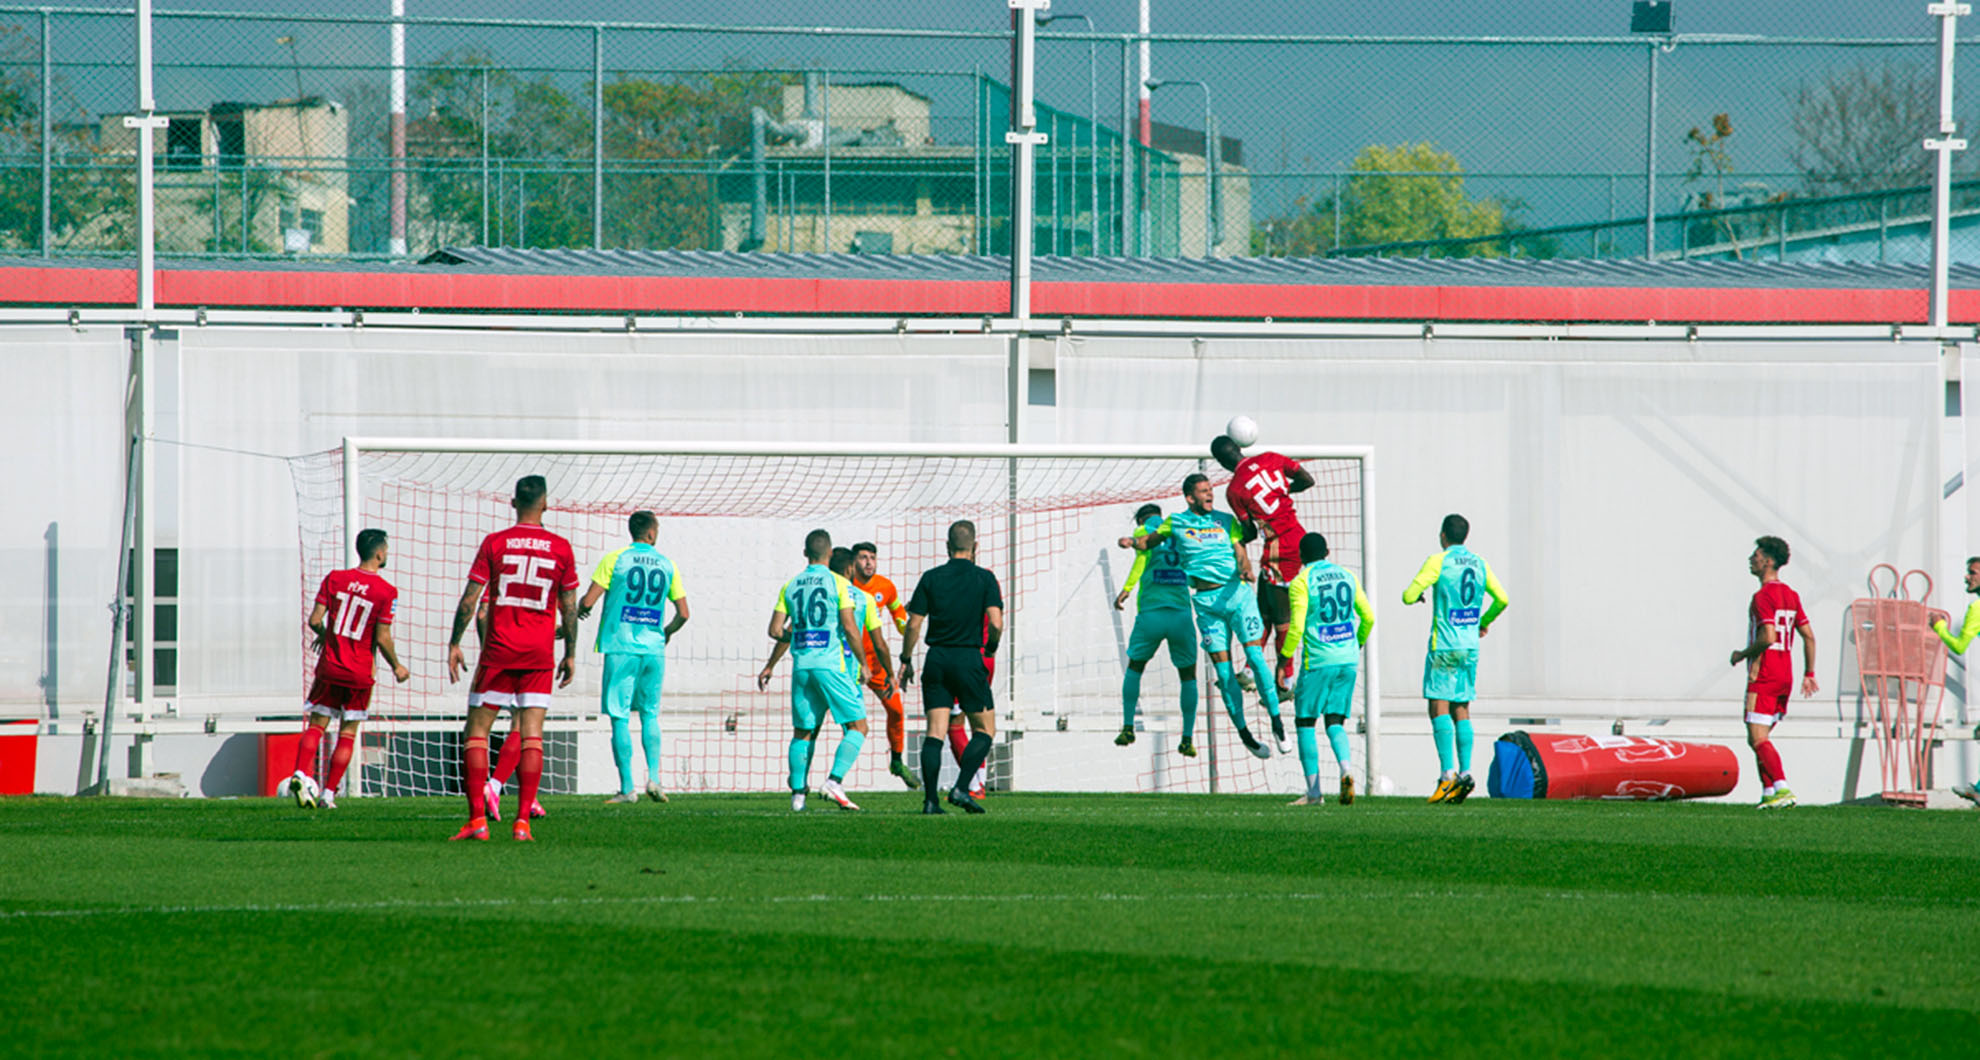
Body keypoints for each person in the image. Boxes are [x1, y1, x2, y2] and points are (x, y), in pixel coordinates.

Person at [445, 475, 580, 841]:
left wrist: (455, 642)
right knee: (532, 734)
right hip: (539, 652)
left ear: (512, 502)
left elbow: (471, 601)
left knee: (476, 731)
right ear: (546, 504)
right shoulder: (561, 547)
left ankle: (477, 822)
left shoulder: (495, 543)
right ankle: (522, 822)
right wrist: (569, 652)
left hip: (499, 650)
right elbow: (568, 607)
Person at [1132, 473, 1279, 760]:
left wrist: (1247, 569)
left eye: (1211, 489)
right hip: (1205, 602)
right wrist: (1131, 542)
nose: (1210, 493)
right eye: (1204, 490)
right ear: (1190, 498)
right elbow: (1150, 541)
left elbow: (1241, 552)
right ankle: (1245, 733)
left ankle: (1276, 721)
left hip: (1236, 595)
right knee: (1224, 675)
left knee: (1257, 657)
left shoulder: (1225, 521)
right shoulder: (1175, 521)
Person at [288, 528, 410, 809]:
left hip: (330, 666)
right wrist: (397, 666)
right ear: (379, 553)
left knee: (318, 725)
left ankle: (299, 772)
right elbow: (382, 637)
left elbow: (315, 620)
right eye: (387, 550)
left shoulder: (335, 579)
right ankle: (329, 794)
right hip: (359, 672)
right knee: (348, 732)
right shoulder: (386, 591)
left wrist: (326, 637)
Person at [757, 531, 875, 812]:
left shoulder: (791, 584)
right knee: (859, 726)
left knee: (803, 732)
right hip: (830, 666)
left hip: (802, 667)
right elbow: (848, 626)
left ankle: (798, 797)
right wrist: (864, 663)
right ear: (831, 552)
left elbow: (775, 630)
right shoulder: (838, 583)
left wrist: (799, 638)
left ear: (804, 552)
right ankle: (834, 781)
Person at [577, 510, 689, 805]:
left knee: (620, 716)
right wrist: (667, 632)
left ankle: (627, 788)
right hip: (653, 649)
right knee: (650, 713)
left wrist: (578, 611)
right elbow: (684, 613)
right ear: (651, 533)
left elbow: (589, 600)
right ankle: (654, 777)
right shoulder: (667, 564)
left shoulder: (615, 559)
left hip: (621, 646)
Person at [1402, 513, 1508, 804]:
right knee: (1461, 706)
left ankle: (1447, 775)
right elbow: (1502, 599)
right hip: (1469, 646)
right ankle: (1466, 772)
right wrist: (1482, 621)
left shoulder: (1438, 561)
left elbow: (1408, 595)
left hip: (1445, 645)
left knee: (1438, 705)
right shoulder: (1480, 563)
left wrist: (1420, 595)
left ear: (1443, 536)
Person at [901, 520, 1004, 814]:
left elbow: (914, 623)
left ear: (947, 547)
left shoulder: (931, 578)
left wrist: (906, 659)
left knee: (935, 731)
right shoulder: (985, 578)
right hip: (968, 658)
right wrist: (991, 648)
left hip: (937, 660)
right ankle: (961, 787)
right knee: (985, 730)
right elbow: (995, 623)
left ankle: (931, 801)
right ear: (975, 547)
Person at [1213, 433, 1314, 707]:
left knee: (1282, 616)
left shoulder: (1234, 490)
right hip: (1296, 536)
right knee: (1264, 611)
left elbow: (1248, 531)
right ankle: (1248, 673)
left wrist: (1232, 538)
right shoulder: (1271, 458)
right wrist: (1282, 492)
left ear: (1221, 463)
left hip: (1281, 546)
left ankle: (1286, 682)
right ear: (1239, 448)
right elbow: (1307, 480)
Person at [1280, 532, 1373, 806]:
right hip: (1347, 659)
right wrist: (1356, 644)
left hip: (1319, 661)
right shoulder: (1347, 575)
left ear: (1301, 557)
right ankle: (1345, 769)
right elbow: (1368, 616)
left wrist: (1284, 659)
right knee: (1335, 721)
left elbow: (1296, 627)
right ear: (1328, 552)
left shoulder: (1301, 582)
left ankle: (1314, 792)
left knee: (1305, 722)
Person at [1728, 535, 1816, 809]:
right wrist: (1809, 673)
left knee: (1758, 738)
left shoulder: (1762, 596)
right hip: (1785, 675)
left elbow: (1767, 636)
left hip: (1764, 674)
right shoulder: (1791, 595)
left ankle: (1782, 788)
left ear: (1767, 561)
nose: (1751, 560)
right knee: (1757, 737)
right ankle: (1768, 792)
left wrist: (1742, 655)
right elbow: (1809, 636)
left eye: (1755, 556)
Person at [1112, 503, 1202, 756]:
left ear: (1140, 519)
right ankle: (1187, 738)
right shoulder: (1178, 530)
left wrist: (1126, 590)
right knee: (1188, 675)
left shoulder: (1144, 530)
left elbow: (1141, 561)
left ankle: (1128, 726)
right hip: (1181, 613)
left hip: (1152, 612)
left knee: (1135, 667)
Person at [850, 542, 919, 788]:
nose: (868, 562)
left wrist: (906, 624)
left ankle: (897, 760)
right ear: (853, 562)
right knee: (848, 722)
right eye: (863, 558)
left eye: (872, 558)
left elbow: (898, 615)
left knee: (897, 711)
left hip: (876, 663)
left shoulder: (885, 587)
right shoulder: (846, 585)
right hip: (848, 661)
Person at [1935, 558, 1980, 803]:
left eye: (1972, 573)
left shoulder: (1977, 608)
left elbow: (1960, 646)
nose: (1966, 577)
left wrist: (1939, 627)